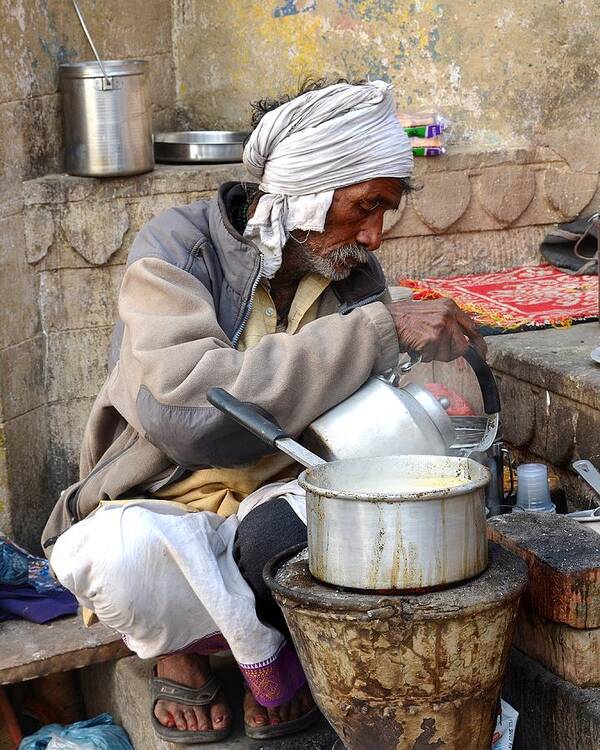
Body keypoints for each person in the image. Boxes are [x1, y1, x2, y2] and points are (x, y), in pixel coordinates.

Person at [43, 79, 485, 744]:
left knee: (309, 537)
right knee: (122, 560)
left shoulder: (352, 271)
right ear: (306, 188)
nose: (374, 234)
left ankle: (264, 642)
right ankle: (183, 648)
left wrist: (416, 404)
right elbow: (190, 414)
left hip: (279, 494)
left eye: (384, 213)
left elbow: (359, 397)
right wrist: (377, 332)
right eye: (365, 207)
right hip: (165, 498)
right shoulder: (175, 249)